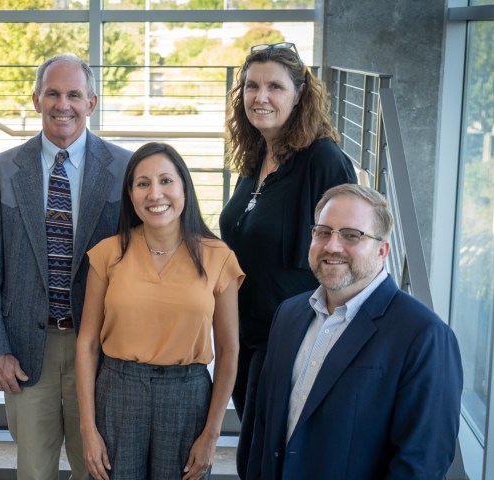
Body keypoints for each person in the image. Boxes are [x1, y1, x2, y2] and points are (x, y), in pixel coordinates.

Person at [0, 53, 132, 480]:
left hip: (100, 350)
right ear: (36, 99)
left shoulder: (125, 168)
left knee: (96, 468)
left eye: (75, 95)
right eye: (53, 93)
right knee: (34, 471)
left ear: (92, 103)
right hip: (25, 352)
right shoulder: (3, 170)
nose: (64, 104)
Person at [246, 183, 463, 479]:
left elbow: (421, 463)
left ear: (382, 249)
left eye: (351, 235)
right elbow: (265, 423)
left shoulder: (424, 336)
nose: (332, 246)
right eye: (323, 232)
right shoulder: (288, 314)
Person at [218, 41, 356, 477]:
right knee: (253, 455)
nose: (261, 97)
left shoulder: (324, 160)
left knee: (268, 460)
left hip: (290, 340)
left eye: (275, 87)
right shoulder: (255, 156)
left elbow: (350, 253)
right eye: (252, 86)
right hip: (242, 334)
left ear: (299, 93)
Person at [76, 143, 243, 480]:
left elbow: (228, 350)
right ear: (130, 194)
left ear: (184, 187)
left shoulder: (217, 256)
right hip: (119, 390)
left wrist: (212, 434)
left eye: (166, 181)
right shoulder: (107, 254)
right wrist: (88, 429)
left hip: (188, 395)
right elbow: (87, 344)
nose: (155, 194)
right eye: (143, 184)